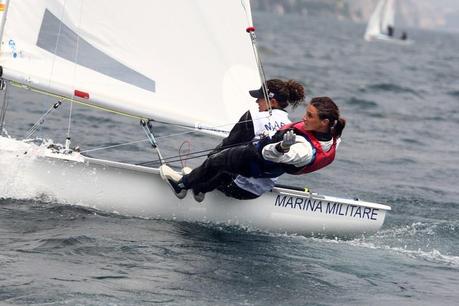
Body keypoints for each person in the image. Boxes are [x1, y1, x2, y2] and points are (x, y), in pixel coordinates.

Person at [161, 96, 346, 201]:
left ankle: (182, 185)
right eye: (306, 113)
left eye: (310, 116)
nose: (304, 118)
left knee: (216, 161)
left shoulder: (304, 149)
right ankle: (200, 187)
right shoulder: (332, 137)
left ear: (325, 122)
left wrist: (282, 146)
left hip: (258, 160)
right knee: (225, 169)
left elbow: (280, 155)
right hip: (260, 171)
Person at [213, 79, 305, 200]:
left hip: (236, 186)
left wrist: (208, 163)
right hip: (258, 190)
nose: (257, 101)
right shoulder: (290, 127)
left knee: (212, 165)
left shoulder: (255, 117)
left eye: (260, 98)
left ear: (272, 102)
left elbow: (228, 146)